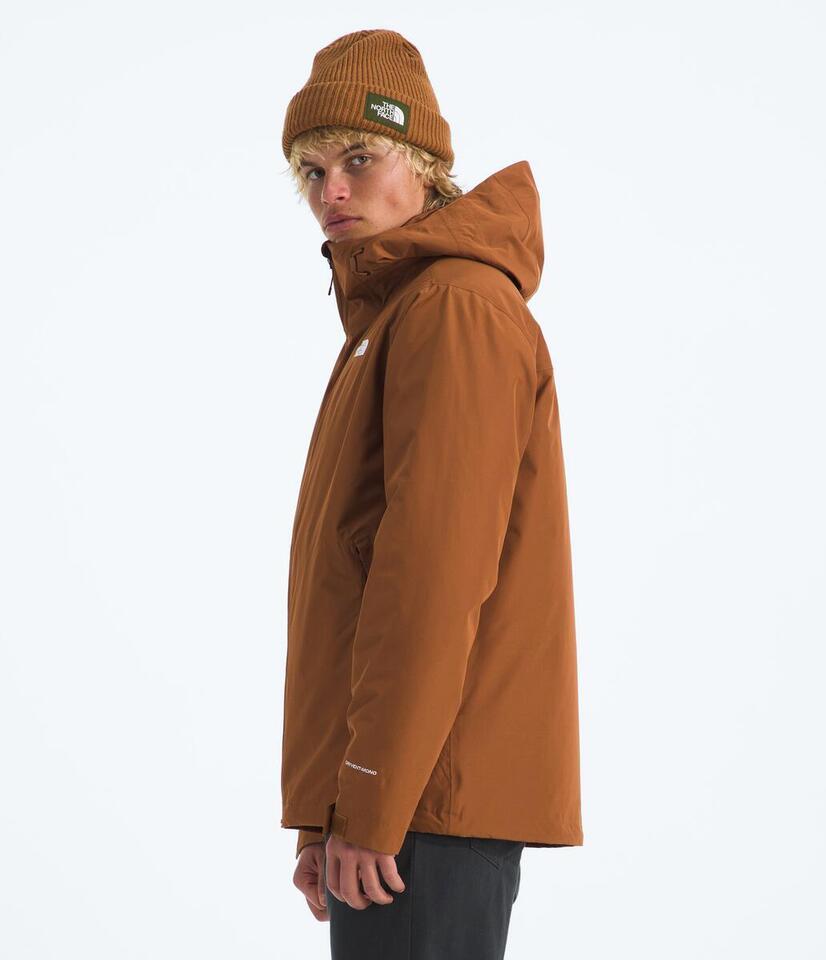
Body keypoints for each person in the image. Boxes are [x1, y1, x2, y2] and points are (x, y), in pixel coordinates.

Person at [279, 28, 584, 959]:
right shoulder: (394, 320)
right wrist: (329, 808)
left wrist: (371, 793)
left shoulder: (453, 308)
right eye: (312, 171)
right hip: (399, 799)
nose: (331, 191)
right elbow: (354, 577)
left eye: (358, 159)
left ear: (421, 164)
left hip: (426, 800)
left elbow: (433, 576)